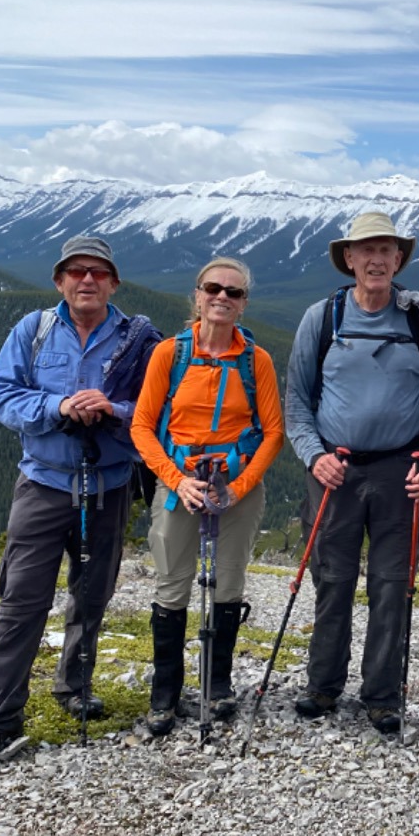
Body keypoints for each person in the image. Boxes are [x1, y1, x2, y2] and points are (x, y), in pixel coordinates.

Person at [0, 235, 161, 760]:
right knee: (21, 602)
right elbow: (2, 396)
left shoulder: (140, 341)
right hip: (44, 484)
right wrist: (59, 405)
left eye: (98, 272)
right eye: (76, 272)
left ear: (114, 283)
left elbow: (157, 408)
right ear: (60, 281)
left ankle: (74, 687)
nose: (87, 280)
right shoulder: (34, 331)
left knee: (92, 598)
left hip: (110, 487)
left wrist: (113, 410)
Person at [284, 211, 419, 734]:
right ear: (350, 259)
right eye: (367, 250)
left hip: (401, 470)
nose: (377, 259)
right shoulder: (325, 316)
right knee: (331, 580)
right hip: (333, 469)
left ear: (399, 259)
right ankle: (323, 685)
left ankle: (382, 695)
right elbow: (296, 400)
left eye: (387, 250)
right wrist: (315, 456)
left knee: (391, 584)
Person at [129, 258, 284, 735]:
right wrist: (176, 481)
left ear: (243, 304)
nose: (222, 297)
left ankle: (217, 687)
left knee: (229, 584)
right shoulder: (169, 355)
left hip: (235, 485)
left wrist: (238, 487)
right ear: (196, 296)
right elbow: (142, 426)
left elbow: (273, 432)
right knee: (173, 585)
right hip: (181, 483)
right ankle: (165, 693)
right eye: (213, 288)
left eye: (233, 293)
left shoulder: (256, 361)